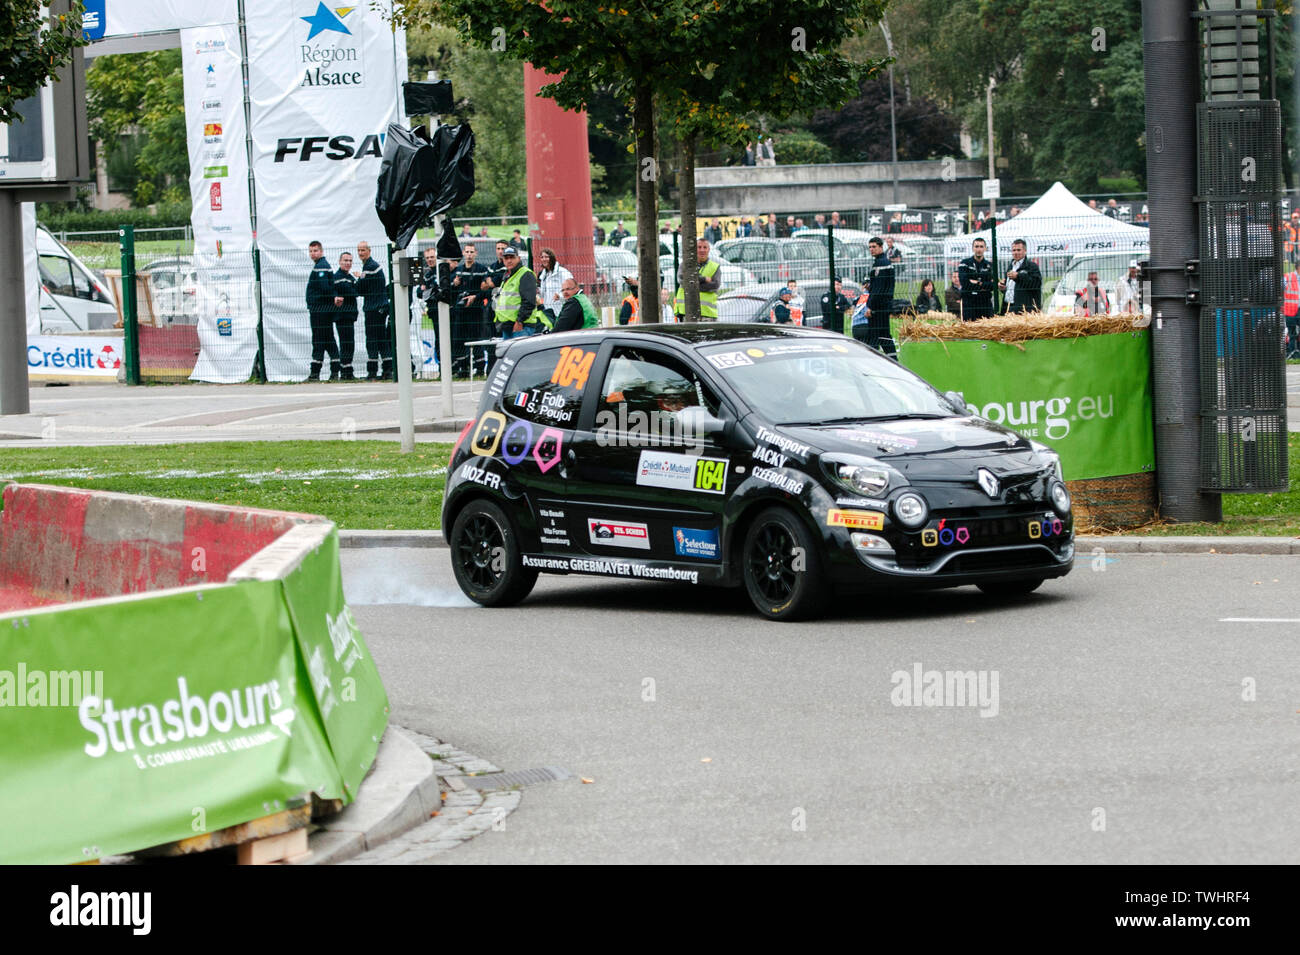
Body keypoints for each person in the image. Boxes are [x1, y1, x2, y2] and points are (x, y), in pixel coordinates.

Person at [353, 241, 392, 380]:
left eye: (363, 250)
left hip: (373, 308)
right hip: (379, 306)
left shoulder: (369, 267)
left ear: (369, 251)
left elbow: (360, 289)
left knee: (372, 340)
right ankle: (388, 369)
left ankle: (372, 372)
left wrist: (356, 281)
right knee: (381, 339)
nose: (360, 253)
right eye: (359, 250)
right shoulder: (372, 267)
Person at [451, 243, 492, 374]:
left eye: (471, 252)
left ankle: (479, 368)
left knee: (476, 339)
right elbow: (451, 291)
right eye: (467, 252)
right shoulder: (458, 270)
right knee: (459, 339)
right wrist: (454, 284)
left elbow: (487, 290)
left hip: (476, 310)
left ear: (476, 253)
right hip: (461, 311)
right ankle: (463, 368)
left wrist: (475, 296)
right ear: (463, 253)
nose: (469, 254)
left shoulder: (482, 269)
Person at [304, 240, 340, 380]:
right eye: (311, 251)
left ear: (321, 251)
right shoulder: (320, 266)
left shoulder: (321, 267)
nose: (313, 253)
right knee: (328, 338)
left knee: (319, 339)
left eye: (315, 250)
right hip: (321, 309)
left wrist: (332, 297)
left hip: (320, 310)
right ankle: (334, 370)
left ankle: (315, 373)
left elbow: (325, 287)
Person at [496, 246, 544, 337]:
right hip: (508, 325)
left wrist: (519, 321)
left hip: (521, 326)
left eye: (512, 257)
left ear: (518, 258)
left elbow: (529, 301)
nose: (509, 260)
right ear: (503, 260)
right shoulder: (507, 275)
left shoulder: (525, 274)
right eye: (506, 258)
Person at [860, 236, 895, 350]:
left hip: (878, 307)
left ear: (881, 247)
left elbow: (879, 289)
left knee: (873, 338)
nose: (871, 249)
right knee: (884, 337)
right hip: (884, 305)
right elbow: (882, 285)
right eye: (870, 247)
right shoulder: (883, 262)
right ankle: (893, 361)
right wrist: (870, 286)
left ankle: (873, 363)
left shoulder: (881, 263)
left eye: (874, 246)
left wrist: (870, 307)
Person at [673, 238, 721, 320]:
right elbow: (681, 279)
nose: (702, 250)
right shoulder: (685, 265)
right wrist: (704, 279)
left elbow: (715, 285)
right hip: (686, 312)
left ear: (709, 250)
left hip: (707, 314)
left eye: (705, 247)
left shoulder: (715, 267)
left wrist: (692, 286)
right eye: (699, 247)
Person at [330, 251, 360, 379]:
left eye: (350, 261)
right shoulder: (339, 277)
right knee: (346, 343)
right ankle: (345, 371)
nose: (348, 263)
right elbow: (353, 292)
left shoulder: (349, 277)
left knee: (349, 343)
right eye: (345, 260)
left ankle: (347, 370)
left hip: (349, 315)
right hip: (343, 316)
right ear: (339, 262)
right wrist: (359, 282)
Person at [999, 239, 1042, 313]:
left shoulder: (1031, 266)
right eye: (1014, 250)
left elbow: (1036, 284)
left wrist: (1018, 276)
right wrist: (1003, 287)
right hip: (1008, 307)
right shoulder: (1010, 266)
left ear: (1025, 251)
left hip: (1024, 309)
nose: (1016, 252)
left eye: (1018, 250)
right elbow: (1012, 288)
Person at [958, 238, 995, 320]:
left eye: (981, 246)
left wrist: (977, 283)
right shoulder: (964, 263)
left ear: (985, 248)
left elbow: (992, 286)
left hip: (985, 302)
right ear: (972, 248)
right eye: (976, 246)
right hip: (969, 302)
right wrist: (983, 285)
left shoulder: (989, 265)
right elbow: (964, 283)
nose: (979, 249)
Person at [535, 247, 572, 324]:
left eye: (546, 257)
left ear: (551, 258)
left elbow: (572, 288)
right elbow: (543, 293)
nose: (544, 259)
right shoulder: (543, 275)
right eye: (542, 257)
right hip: (547, 311)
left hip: (560, 310)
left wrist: (560, 296)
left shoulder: (562, 272)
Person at [1283, 268, 1299, 355]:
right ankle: (1292, 352)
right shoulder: (1288, 277)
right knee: (1291, 332)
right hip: (1291, 309)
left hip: (1295, 309)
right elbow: (1280, 290)